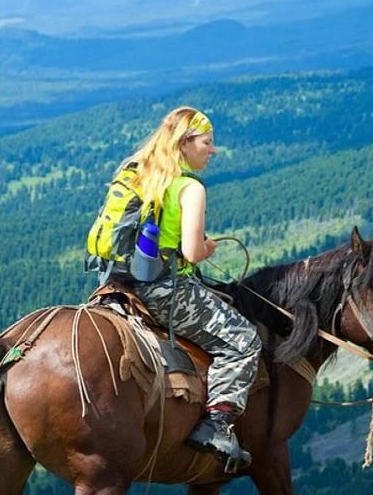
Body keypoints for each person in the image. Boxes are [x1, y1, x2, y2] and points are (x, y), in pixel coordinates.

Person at [108, 105, 262, 471]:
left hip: (120, 283)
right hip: (165, 290)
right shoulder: (190, 187)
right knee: (244, 341)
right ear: (184, 144)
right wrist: (207, 248)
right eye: (207, 143)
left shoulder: (138, 174)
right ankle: (217, 424)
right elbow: (192, 252)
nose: (213, 150)